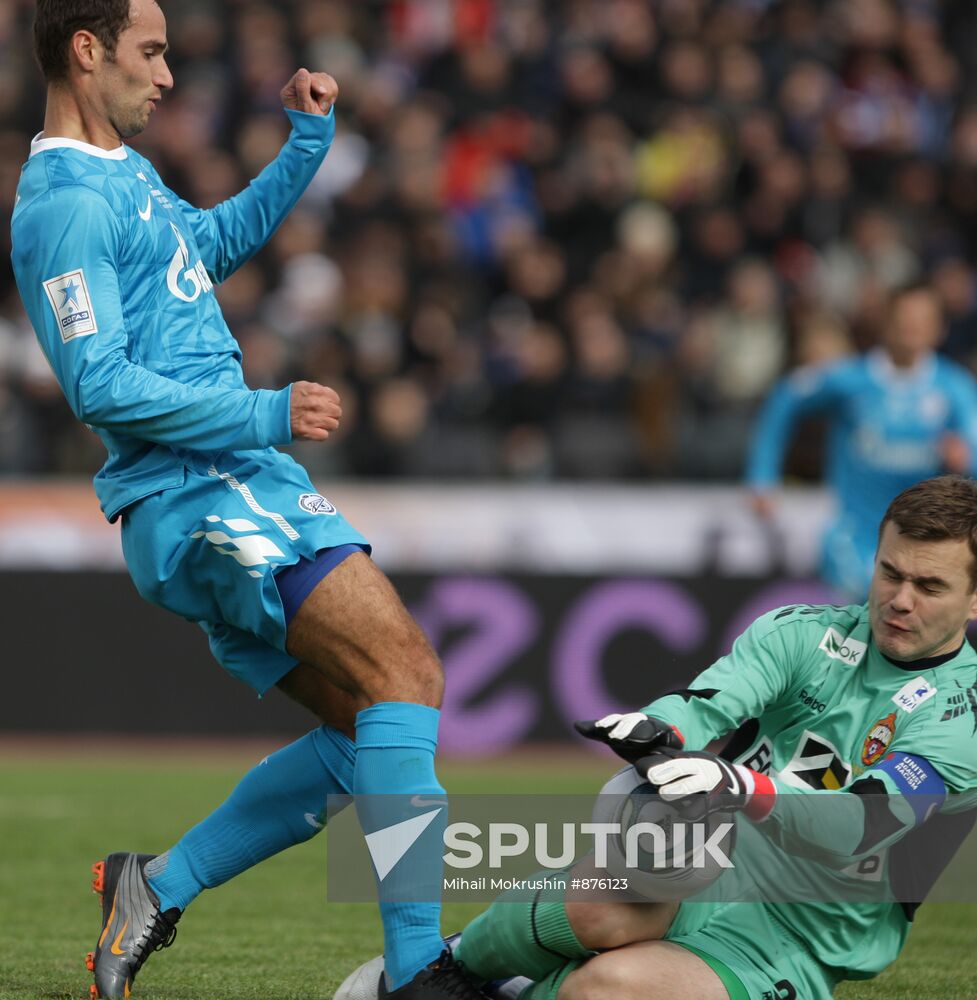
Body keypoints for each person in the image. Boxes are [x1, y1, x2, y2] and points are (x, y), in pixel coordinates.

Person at [10, 3, 486, 999]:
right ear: (86, 51)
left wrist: (305, 143)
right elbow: (95, 383)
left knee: (370, 726)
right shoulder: (60, 206)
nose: (169, 75)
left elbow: (206, 249)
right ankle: (415, 975)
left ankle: (156, 885)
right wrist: (259, 412)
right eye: (151, 52)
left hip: (232, 478)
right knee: (405, 673)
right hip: (198, 487)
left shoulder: (121, 174)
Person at [339, 474, 977, 1000]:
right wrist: (661, 729)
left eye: (930, 586)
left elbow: (859, 826)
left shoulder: (962, 717)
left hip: (798, 938)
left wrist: (736, 782)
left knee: (601, 989)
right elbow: (712, 700)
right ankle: (442, 975)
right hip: (709, 869)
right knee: (598, 902)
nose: (899, 599)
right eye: (890, 573)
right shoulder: (803, 632)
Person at [747, 281, 977, 598]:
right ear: (886, 323)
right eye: (904, 318)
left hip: (927, 538)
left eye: (922, 320)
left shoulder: (956, 389)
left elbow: (973, 456)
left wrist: (965, 460)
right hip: (855, 535)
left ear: (939, 329)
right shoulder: (849, 380)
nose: (911, 327)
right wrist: (762, 477)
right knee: (869, 618)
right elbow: (786, 398)